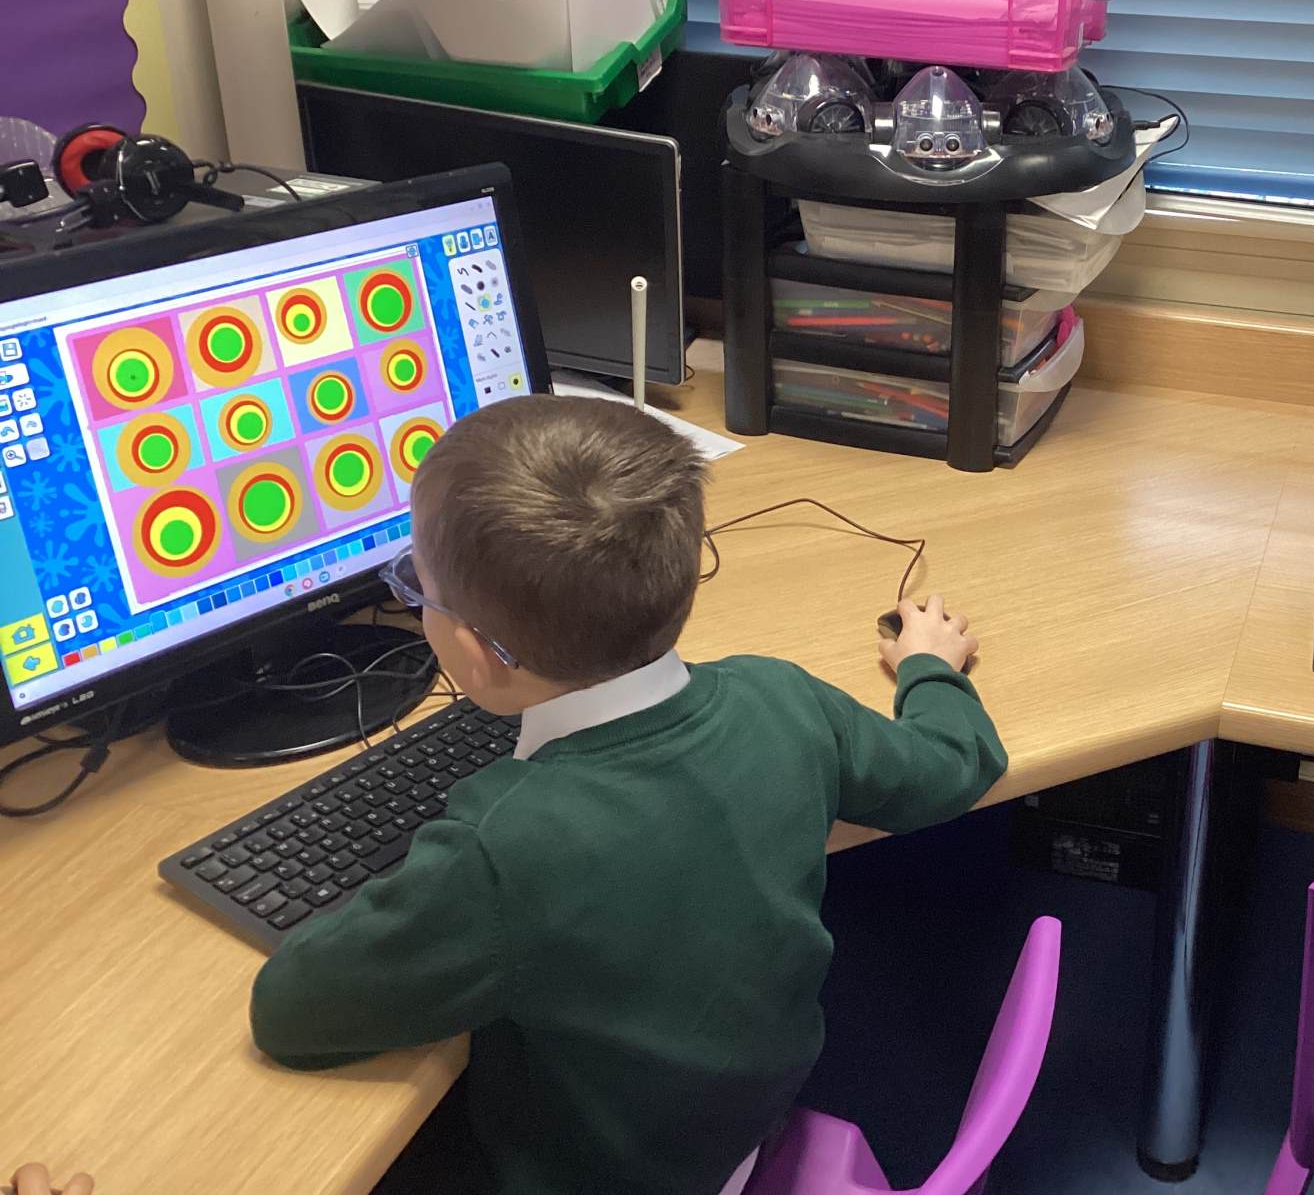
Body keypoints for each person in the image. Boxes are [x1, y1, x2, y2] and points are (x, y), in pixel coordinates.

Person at [248, 395, 1007, 1194]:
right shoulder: (781, 698)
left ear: (474, 654)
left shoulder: (502, 847)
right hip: (738, 1130)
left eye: (418, 589)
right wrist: (928, 666)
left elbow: (292, 1013)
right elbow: (956, 762)